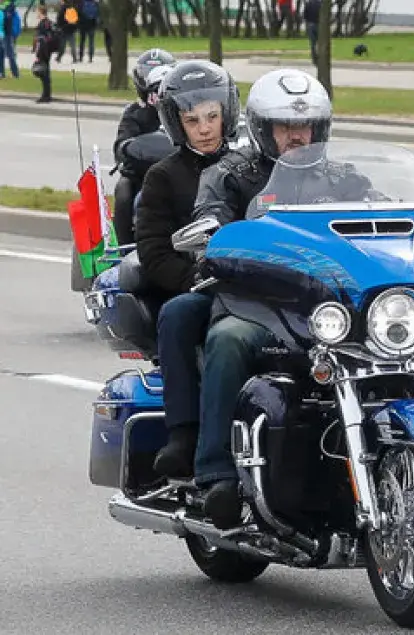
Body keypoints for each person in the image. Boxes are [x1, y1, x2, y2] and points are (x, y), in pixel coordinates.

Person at [184, 68, 335, 529]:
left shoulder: (343, 177)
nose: (297, 135)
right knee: (227, 340)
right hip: (254, 305)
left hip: (331, 310)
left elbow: (386, 217)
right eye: (285, 126)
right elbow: (210, 232)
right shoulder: (229, 175)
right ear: (261, 128)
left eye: (306, 125)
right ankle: (215, 473)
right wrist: (217, 240)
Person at [136, 60, 240, 479]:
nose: (205, 128)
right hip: (200, 286)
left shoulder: (252, 165)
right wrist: (194, 279)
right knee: (177, 313)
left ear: (227, 112)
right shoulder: (163, 177)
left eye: (212, 116)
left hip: (261, 287)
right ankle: (183, 433)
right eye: (192, 120)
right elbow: (154, 251)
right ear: (176, 123)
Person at [112, 48, 177, 246]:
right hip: (143, 174)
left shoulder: (182, 107)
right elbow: (121, 145)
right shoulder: (134, 113)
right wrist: (128, 149)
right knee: (123, 191)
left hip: (179, 168)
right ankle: (124, 247)